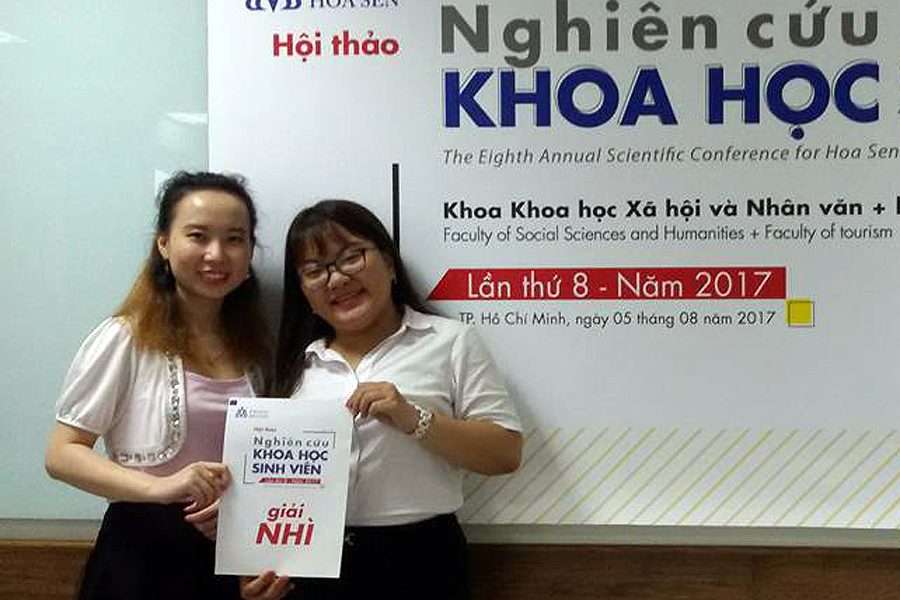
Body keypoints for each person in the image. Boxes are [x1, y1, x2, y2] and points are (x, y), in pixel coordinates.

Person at [241, 200, 522, 600]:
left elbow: (505, 453)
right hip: (309, 559)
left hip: (419, 559)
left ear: (389, 263)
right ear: (303, 291)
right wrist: (258, 562)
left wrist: (414, 418)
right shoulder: (290, 363)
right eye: (315, 270)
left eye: (351, 257)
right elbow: (267, 481)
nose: (337, 279)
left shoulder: (449, 341)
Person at [45, 171, 270, 600]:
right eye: (198, 236)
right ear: (163, 243)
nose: (216, 254)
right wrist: (162, 488)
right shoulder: (125, 337)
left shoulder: (256, 348)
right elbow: (61, 454)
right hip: (142, 554)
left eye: (235, 239)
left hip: (228, 553)